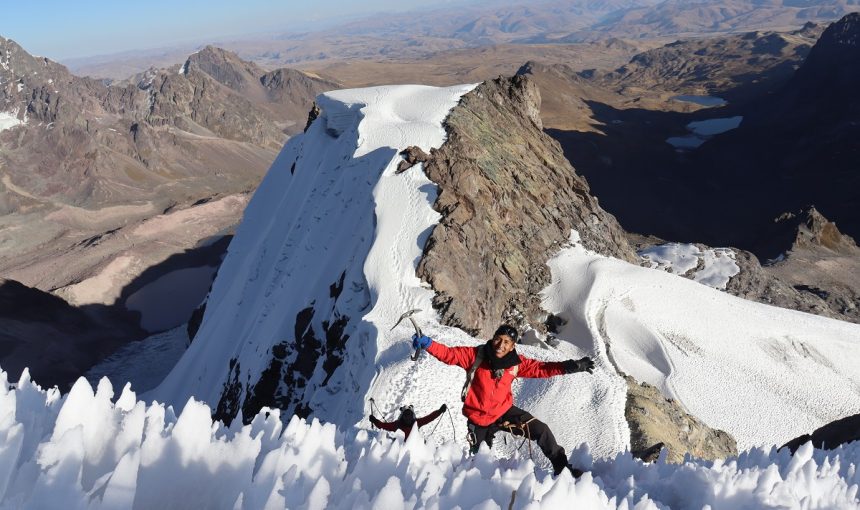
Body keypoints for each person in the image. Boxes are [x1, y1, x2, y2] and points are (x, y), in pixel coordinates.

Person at [412, 324, 594, 477]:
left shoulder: (515, 363)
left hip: (503, 411)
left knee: (541, 430)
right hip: (479, 419)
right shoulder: (476, 356)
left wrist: (569, 367)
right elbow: (449, 354)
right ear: (492, 339)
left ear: (513, 346)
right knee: (480, 462)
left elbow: (541, 368)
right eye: (498, 339)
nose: (501, 345)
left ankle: (562, 469)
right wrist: (428, 344)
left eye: (507, 342)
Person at [369, 403, 447, 440]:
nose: (407, 418)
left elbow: (429, 418)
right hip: (402, 449)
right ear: (402, 416)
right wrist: (375, 421)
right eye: (406, 415)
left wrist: (439, 411)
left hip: (413, 447)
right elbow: (383, 426)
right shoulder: (398, 425)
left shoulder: (414, 423)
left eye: (409, 415)